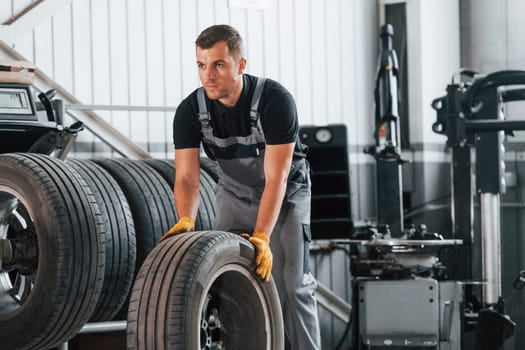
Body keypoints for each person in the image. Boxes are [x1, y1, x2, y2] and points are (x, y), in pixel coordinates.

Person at [160, 24, 321, 349]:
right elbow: (188, 177)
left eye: (218, 64)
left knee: (293, 285)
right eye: (202, 65)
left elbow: (277, 177)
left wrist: (262, 235)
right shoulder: (190, 112)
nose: (209, 75)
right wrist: (186, 219)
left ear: (240, 65)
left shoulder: (275, 101)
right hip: (233, 192)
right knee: (229, 279)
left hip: (287, 195)